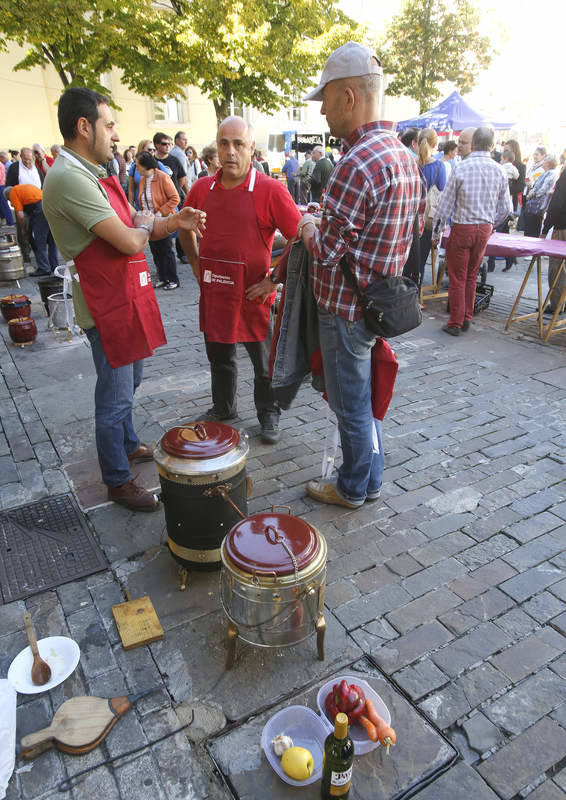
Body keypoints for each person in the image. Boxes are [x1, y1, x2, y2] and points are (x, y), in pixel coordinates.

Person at [42, 87, 206, 511]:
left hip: (124, 295)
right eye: (109, 125)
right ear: (84, 127)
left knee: (130, 381)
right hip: (106, 304)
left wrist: (160, 221)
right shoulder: (69, 177)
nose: (116, 135)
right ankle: (117, 479)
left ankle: (129, 442)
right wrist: (142, 225)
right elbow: (129, 239)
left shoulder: (91, 170)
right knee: (113, 397)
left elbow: (138, 223)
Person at [298, 41, 425, 509]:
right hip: (378, 304)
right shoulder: (402, 155)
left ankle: (352, 487)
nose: (323, 113)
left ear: (349, 97)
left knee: (350, 403)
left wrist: (307, 223)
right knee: (363, 400)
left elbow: (326, 251)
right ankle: (369, 479)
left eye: (326, 100)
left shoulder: (355, 162)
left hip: (347, 309)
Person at [178, 116, 301, 444]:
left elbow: (298, 237)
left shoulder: (270, 190)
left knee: (263, 365)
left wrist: (274, 281)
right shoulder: (203, 188)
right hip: (215, 292)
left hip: (253, 296)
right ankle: (223, 408)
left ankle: (268, 413)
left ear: (251, 149)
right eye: (224, 143)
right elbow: (183, 224)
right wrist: (193, 262)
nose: (230, 151)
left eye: (238, 144)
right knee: (219, 358)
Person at [432, 126, 512, 336]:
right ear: (492, 146)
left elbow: (444, 206)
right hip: (484, 228)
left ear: (474, 143)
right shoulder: (499, 170)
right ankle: (466, 316)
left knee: (458, 276)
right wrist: (492, 224)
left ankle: (456, 321)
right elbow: (507, 209)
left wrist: (436, 233)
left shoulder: (462, 168)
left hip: (463, 226)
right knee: (471, 275)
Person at [136, 150, 180, 290]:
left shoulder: (162, 177)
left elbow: (175, 198)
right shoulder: (143, 180)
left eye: (137, 165)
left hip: (162, 219)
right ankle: (162, 277)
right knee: (155, 250)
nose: (136, 168)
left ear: (145, 165)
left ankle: (173, 279)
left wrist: (161, 213)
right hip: (150, 220)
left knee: (166, 249)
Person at [412, 127, 446, 291]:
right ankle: (416, 297)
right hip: (427, 221)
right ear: (435, 144)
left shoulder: (410, 163)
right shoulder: (440, 167)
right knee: (420, 261)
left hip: (408, 217)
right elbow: (442, 197)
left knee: (406, 261)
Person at [4, 184, 59, 276]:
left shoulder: (13, 193)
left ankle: (44, 267)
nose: (12, 203)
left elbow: (20, 216)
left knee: (38, 240)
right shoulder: (21, 188)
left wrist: (23, 230)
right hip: (48, 205)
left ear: (8, 197)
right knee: (51, 239)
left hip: (39, 210)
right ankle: (55, 266)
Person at [486, 148, 518, 273]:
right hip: (506, 209)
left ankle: (491, 263)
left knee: (494, 237)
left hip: (501, 209)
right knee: (502, 237)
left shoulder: (500, 171)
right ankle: (510, 259)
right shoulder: (510, 171)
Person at [542, 166, 566, 315]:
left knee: (557, 269)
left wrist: (545, 229)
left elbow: (557, 205)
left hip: (563, 227)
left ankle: (557, 304)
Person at [524, 155, 557, 238]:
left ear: (548, 163)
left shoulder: (551, 173)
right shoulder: (546, 173)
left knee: (532, 232)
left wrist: (532, 193)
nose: (542, 162)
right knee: (529, 231)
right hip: (533, 206)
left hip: (537, 207)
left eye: (544, 160)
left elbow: (543, 189)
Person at [505, 138, 525, 214]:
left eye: (507, 151)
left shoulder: (521, 166)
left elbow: (520, 186)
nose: (504, 153)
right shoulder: (501, 163)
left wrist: (505, 190)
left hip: (511, 200)